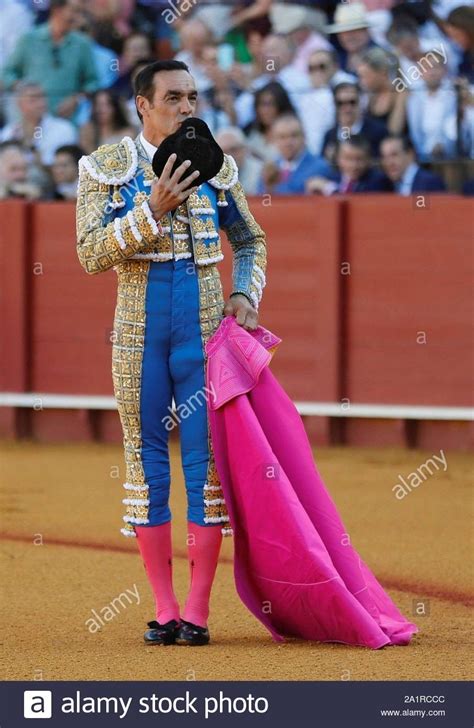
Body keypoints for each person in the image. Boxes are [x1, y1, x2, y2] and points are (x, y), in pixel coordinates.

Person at [75, 60, 267, 647]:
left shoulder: (217, 165)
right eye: (174, 97)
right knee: (146, 462)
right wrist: (150, 209)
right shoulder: (106, 169)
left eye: (192, 96)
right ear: (143, 104)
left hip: (204, 333)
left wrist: (243, 291)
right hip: (138, 332)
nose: (188, 107)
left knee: (205, 468)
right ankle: (164, 609)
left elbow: (250, 239)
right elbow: (90, 254)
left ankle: (199, 611)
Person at [2, 0, 99, 122]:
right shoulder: (29, 39)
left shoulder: (82, 44)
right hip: (31, 120)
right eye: (74, 11)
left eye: (80, 12)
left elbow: (93, 82)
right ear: (57, 10)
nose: (78, 17)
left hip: (68, 120)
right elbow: (7, 73)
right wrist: (25, 90)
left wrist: (76, 99)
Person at [0, 82, 78, 166]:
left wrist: (37, 157)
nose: (41, 103)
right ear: (19, 104)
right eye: (33, 99)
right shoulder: (8, 133)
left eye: (42, 97)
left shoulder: (64, 129)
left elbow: (67, 168)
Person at [258, 113, 333, 194]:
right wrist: (268, 187)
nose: (288, 142)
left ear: (304, 137)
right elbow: (259, 200)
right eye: (282, 137)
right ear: (274, 140)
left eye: (294, 136)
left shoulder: (320, 167)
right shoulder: (271, 168)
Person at [322, 82, 386, 162]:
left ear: (360, 101)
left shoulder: (378, 132)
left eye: (352, 102)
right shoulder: (329, 136)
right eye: (340, 103)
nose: (347, 108)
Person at [306, 134, 391, 194]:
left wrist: (329, 189)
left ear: (368, 160)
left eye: (359, 159)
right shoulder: (331, 178)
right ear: (338, 158)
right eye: (348, 158)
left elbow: (354, 206)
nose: (354, 165)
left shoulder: (378, 181)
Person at [380, 135, 446, 193]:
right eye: (384, 157)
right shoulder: (384, 185)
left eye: (394, 155)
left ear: (410, 154)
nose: (389, 162)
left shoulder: (430, 183)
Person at [79, 89, 138, 154]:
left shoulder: (128, 134)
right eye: (97, 104)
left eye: (106, 105)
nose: (100, 109)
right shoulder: (87, 131)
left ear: (115, 107)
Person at [216, 126, 264, 194]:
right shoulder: (211, 174)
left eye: (233, 150)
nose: (229, 156)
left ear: (244, 149)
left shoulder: (260, 171)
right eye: (223, 152)